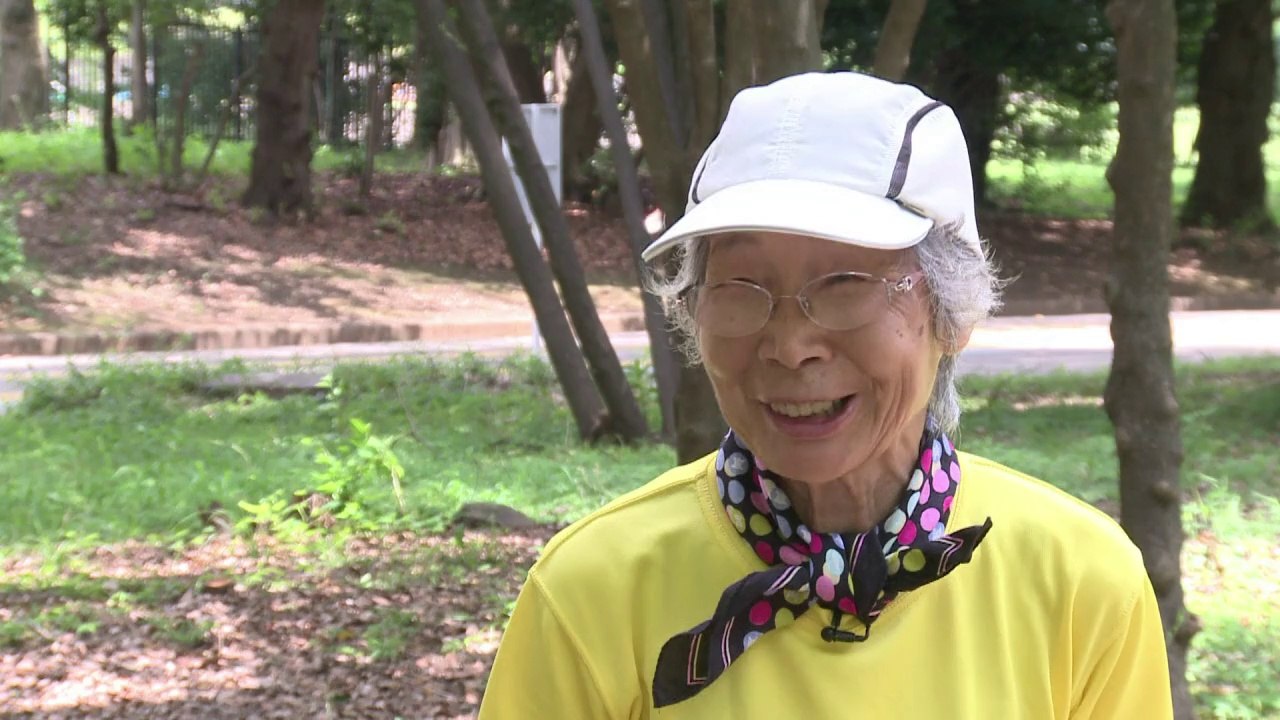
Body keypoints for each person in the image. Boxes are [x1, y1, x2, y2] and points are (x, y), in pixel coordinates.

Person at [478, 71, 1173, 718]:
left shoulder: (1082, 585)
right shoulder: (591, 592)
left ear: (952, 315)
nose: (789, 344)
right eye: (740, 285)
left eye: (846, 283)